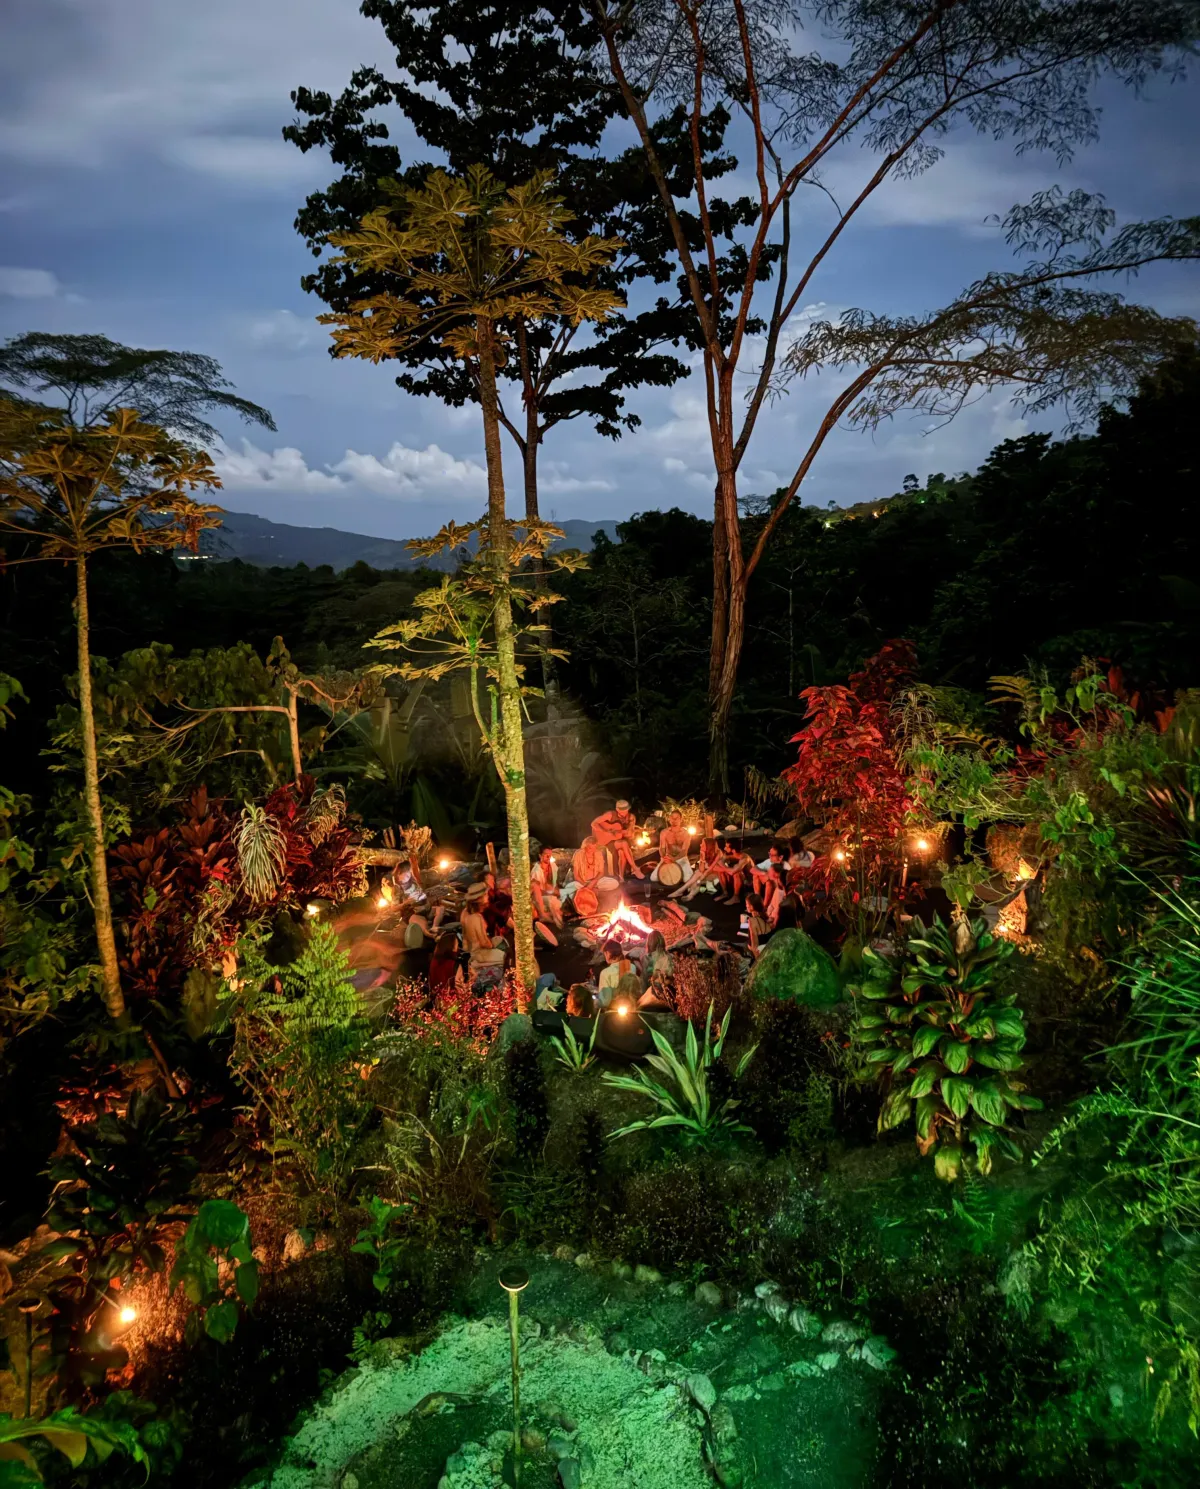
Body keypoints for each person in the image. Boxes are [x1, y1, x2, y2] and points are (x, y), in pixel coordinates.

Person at [590, 799, 644, 880]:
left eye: (625, 810)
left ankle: (621, 877)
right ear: (617, 809)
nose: (624, 813)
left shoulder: (631, 818)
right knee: (624, 844)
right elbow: (593, 823)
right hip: (608, 840)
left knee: (622, 851)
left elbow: (629, 834)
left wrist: (629, 833)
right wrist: (605, 831)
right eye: (621, 811)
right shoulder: (610, 815)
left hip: (621, 838)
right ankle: (635, 868)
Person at [669, 836, 724, 902]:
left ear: (708, 846)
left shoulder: (718, 853)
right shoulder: (704, 852)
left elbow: (709, 870)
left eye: (702, 844)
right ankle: (689, 895)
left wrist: (699, 880)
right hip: (704, 873)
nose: (700, 845)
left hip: (717, 874)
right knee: (698, 874)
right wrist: (702, 858)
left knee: (698, 876)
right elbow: (701, 869)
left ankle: (681, 892)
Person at [651, 810, 692, 884]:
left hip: (681, 858)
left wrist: (674, 859)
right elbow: (662, 848)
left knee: (687, 879)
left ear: (681, 819)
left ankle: (681, 874)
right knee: (653, 878)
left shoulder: (686, 834)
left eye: (677, 818)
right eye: (672, 818)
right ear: (669, 819)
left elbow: (684, 851)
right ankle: (674, 874)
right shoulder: (664, 832)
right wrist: (664, 857)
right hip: (668, 857)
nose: (674, 820)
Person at [565, 836, 606, 905]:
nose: (592, 850)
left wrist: (593, 882)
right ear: (585, 846)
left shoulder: (599, 854)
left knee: (613, 883)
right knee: (570, 886)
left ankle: (587, 890)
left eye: (594, 848)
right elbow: (576, 875)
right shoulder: (578, 854)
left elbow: (601, 872)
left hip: (595, 882)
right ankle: (587, 891)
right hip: (582, 882)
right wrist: (587, 886)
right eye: (590, 848)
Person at [530, 847, 564, 927]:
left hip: (549, 893)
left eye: (550, 855)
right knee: (552, 900)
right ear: (540, 856)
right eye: (546, 855)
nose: (549, 857)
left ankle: (557, 921)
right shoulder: (536, 871)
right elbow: (536, 891)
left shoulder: (553, 866)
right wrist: (551, 892)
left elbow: (554, 884)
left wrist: (556, 891)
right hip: (539, 896)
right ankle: (559, 925)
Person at [597, 938, 635, 1007]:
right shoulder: (632, 967)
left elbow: (605, 1002)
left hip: (613, 1013)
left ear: (607, 953)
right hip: (632, 1009)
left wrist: (595, 1002)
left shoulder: (605, 973)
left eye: (604, 953)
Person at [428, 930, 462, 995]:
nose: (458, 947)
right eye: (456, 944)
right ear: (451, 945)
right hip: (451, 999)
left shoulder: (434, 960)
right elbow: (459, 986)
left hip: (436, 997)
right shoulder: (454, 963)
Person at [744, 892, 771, 957]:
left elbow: (754, 946)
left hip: (757, 953)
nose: (746, 906)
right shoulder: (765, 917)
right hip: (767, 949)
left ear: (752, 907)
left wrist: (757, 962)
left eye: (747, 904)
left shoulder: (751, 921)